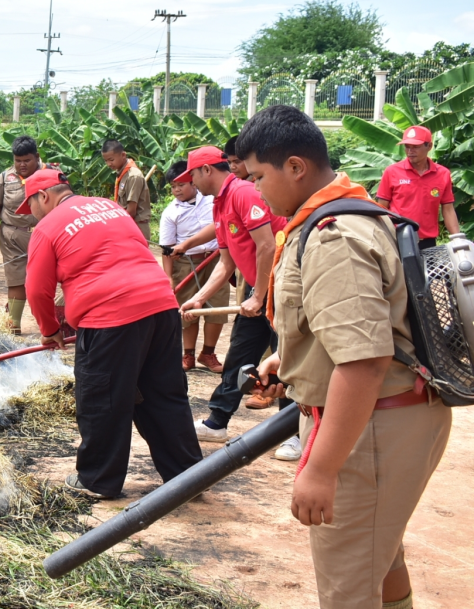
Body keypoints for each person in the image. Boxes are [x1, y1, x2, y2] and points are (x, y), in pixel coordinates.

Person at [242, 105, 450, 609]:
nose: (255, 190)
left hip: (370, 428)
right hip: (384, 419)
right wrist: (284, 362)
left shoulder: (334, 236)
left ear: (295, 167)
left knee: (348, 585)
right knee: (381, 556)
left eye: (258, 176)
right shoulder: (335, 216)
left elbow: (364, 362)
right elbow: (333, 326)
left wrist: (321, 469)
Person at [21, 168, 202, 499]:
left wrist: (50, 331)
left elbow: (36, 289)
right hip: (161, 307)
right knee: (163, 396)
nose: (30, 214)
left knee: (102, 399)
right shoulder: (109, 206)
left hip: (110, 317)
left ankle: (98, 480)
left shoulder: (48, 227)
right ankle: (188, 477)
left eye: (29, 205)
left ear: (43, 196)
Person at [176, 145, 291, 446]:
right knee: (240, 355)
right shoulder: (219, 203)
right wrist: (199, 298)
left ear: (206, 170)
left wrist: (260, 296)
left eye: (192, 176)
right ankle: (217, 422)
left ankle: (296, 433)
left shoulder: (243, 193)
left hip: (282, 288)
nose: (191, 183)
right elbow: (226, 262)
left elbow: (268, 247)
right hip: (260, 289)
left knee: (289, 358)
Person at [160, 160, 228, 373]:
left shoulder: (212, 200)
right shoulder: (170, 213)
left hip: (216, 260)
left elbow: (221, 225)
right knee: (188, 310)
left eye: (181, 184)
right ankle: (188, 354)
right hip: (187, 264)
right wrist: (169, 277)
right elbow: (167, 248)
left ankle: (208, 353)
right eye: (173, 186)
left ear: (194, 182)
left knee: (216, 307)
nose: (177, 190)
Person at [0, 136, 59, 334]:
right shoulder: (5, 177)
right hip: (12, 236)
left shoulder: (52, 175)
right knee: (16, 279)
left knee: (45, 281)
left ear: (37, 157)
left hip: (45, 236)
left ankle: (52, 326)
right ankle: (13, 326)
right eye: (17, 161)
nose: (21, 165)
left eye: (26, 160)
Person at [376, 125, 459, 249]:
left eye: (415, 147)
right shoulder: (392, 172)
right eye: (407, 147)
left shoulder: (443, 174)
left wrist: (457, 239)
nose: (410, 151)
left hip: (428, 243)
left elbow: (448, 209)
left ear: (429, 146)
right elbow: (381, 209)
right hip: (397, 240)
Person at [101, 139, 152, 241]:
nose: (108, 164)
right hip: (126, 223)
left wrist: (114, 225)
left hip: (136, 227)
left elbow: (131, 211)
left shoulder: (133, 176)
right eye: (106, 161)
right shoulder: (121, 173)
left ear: (123, 155)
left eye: (111, 160)